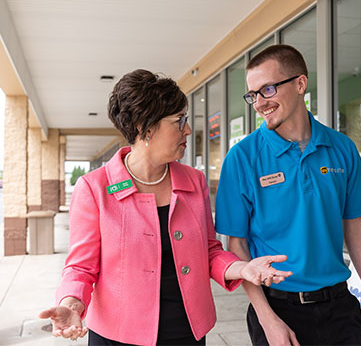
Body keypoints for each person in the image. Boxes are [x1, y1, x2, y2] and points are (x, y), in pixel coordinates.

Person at [39, 69, 293, 346]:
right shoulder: (95, 188)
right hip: (118, 335)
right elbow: (81, 267)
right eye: (178, 121)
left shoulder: (194, 181)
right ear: (144, 128)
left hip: (186, 331)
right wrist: (71, 304)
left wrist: (243, 269)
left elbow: (209, 251)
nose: (187, 128)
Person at [215, 45, 361, 346]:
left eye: (268, 89)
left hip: (340, 305)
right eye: (253, 95)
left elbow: (354, 228)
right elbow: (237, 245)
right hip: (278, 310)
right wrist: (267, 319)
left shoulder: (341, 148)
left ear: (300, 84)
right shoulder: (242, 158)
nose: (259, 103)